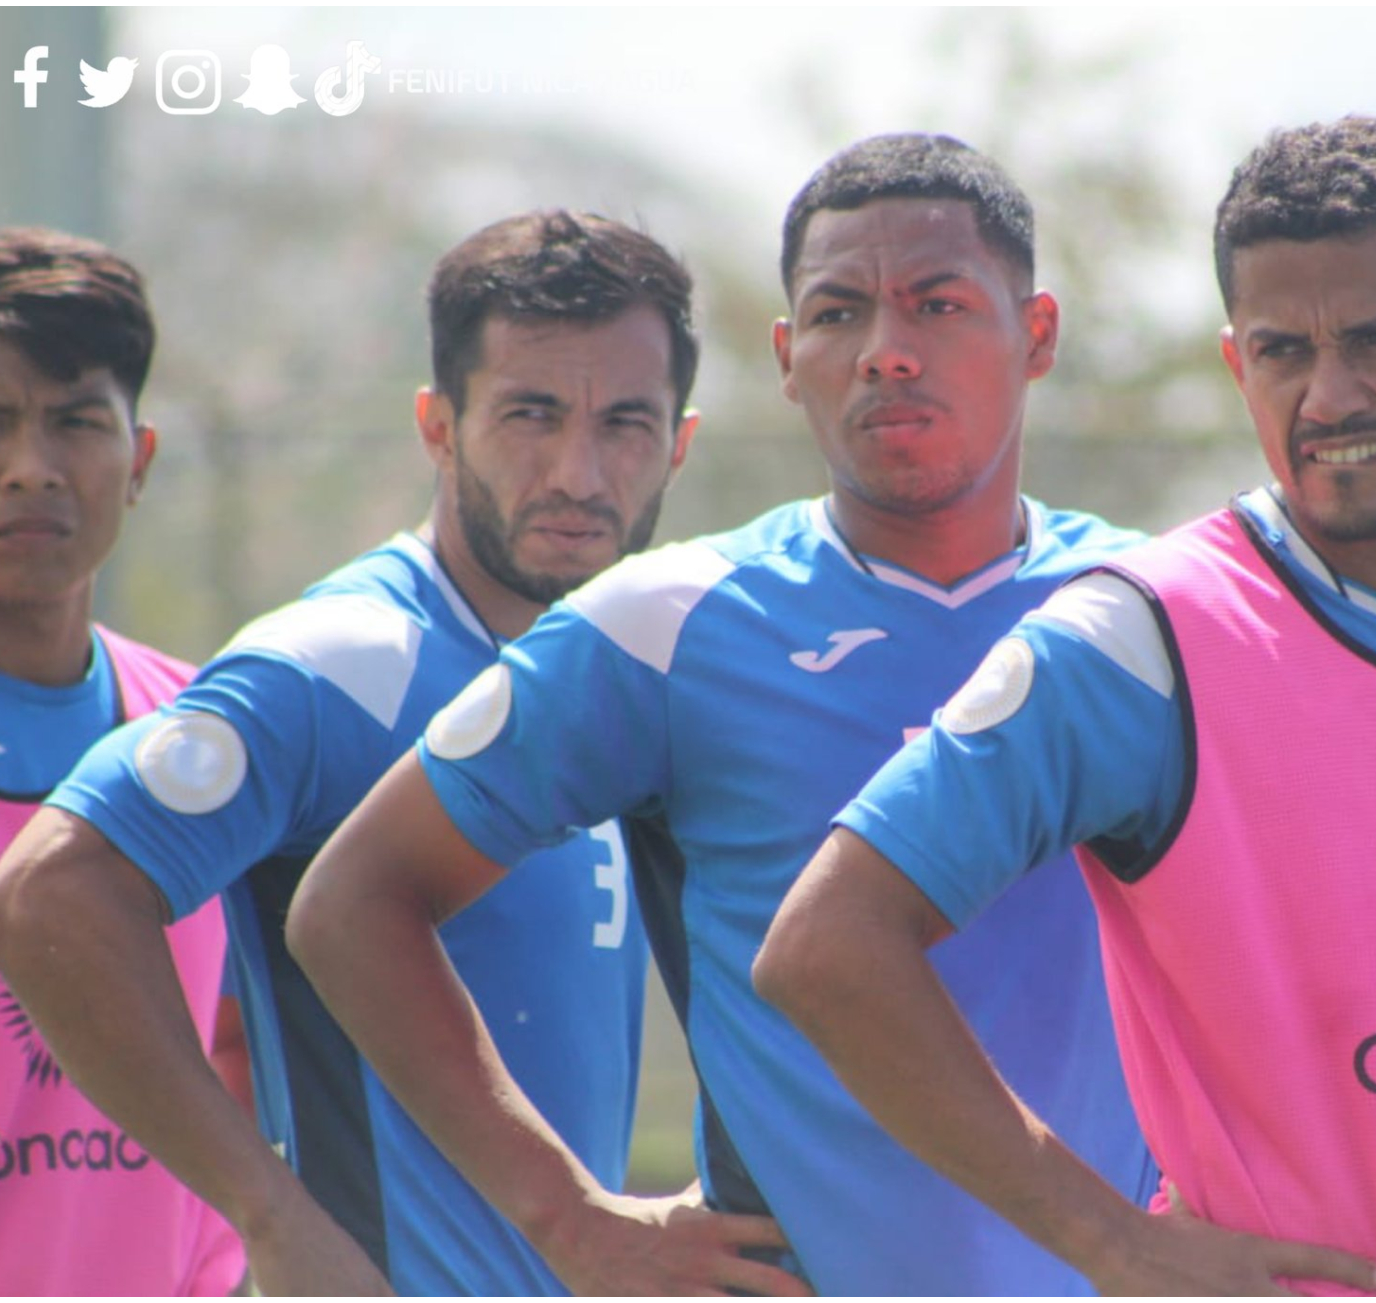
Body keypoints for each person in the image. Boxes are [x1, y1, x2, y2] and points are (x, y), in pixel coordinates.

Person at [755, 117, 1376, 1297]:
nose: (1329, 394)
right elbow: (825, 946)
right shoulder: (1142, 640)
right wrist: (1112, 1242)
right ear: (1233, 360)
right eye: (1281, 351)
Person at [292, 138, 1152, 1295]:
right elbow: (351, 901)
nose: (887, 354)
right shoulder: (668, 624)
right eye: (840, 314)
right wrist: (568, 1216)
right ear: (791, 358)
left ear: (1036, 335)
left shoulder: (1158, 614)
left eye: (938, 305)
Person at [0, 211, 691, 1295]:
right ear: (438, 426)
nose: (579, 471)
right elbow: (49, 891)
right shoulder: (346, 663)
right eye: (530, 415)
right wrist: (266, 1216)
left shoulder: (612, 678)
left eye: (626, 424)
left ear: (679, 444)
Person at [0, 226, 246, 1297]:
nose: (31, 467)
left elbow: (237, 1051)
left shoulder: (211, 737)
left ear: (137, 461)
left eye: (77, 421)